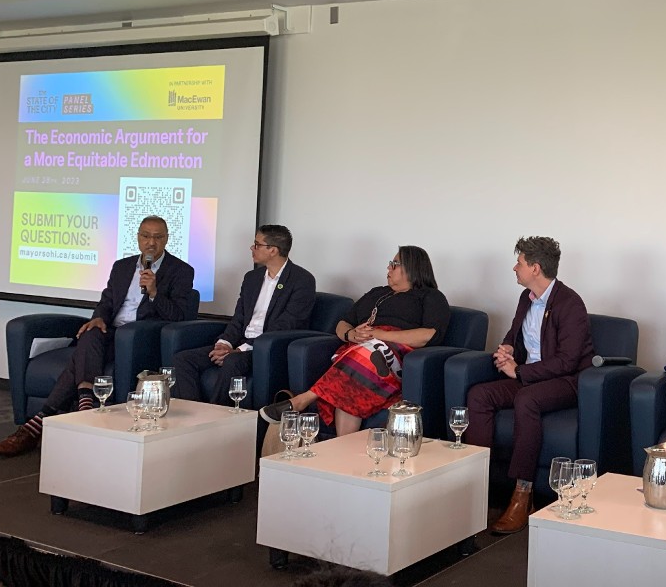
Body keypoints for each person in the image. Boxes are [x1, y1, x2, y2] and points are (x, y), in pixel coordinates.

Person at [0, 215, 194, 457]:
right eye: (146, 236)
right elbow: (106, 303)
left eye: (158, 237)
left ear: (167, 239)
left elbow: (180, 317)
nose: (151, 242)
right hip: (112, 334)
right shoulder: (122, 267)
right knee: (91, 332)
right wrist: (98, 317)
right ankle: (85, 403)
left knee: (82, 353)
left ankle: (35, 426)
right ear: (138, 238)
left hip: (140, 340)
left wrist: (154, 293)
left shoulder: (181, 271)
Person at [464, 236, 594, 535]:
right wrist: (508, 349)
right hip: (528, 376)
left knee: (527, 400)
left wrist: (519, 370)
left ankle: (522, 495)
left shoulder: (570, 303)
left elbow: (567, 361)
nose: (514, 268)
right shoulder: (527, 298)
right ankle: (474, 485)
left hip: (566, 382)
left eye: (519, 263)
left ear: (535, 268)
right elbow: (514, 334)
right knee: (480, 395)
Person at [259, 246, 450, 436]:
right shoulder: (377, 293)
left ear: (413, 267)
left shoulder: (430, 296)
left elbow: (428, 335)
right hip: (359, 353)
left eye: (395, 264)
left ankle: (302, 400)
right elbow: (342, 323)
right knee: (351, 380)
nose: (388, 268)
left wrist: (379, 334)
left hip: (396, 357)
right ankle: (342, 445)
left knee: (365, 354)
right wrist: (351, 334)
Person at [171, 225, 316, 406]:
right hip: (240, 343)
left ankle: (215, 417)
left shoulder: (302, 280)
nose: (251, 248)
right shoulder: (252, 278)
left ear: (273, 250)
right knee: (183, 359)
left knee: (232, 361)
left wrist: (240, 350)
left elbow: (287, 325)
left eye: (257, 244)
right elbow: (239, 317)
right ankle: (192, 414)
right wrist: (224, 343)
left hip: (266, 349)